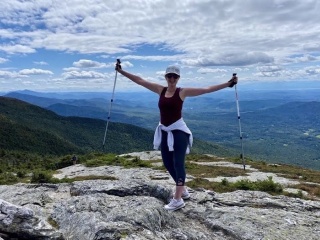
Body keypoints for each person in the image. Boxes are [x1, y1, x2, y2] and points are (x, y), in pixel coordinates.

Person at [115, 62, 238, 211]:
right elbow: (140, 80)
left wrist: (228, 84)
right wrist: (121, 72)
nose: (172, 79)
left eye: (175, 76)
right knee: (167, 163)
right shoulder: (160, 90)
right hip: (166, 132)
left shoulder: (182, 92)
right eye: (169, 76)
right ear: (166, 77)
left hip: (179, 133)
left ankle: (178, 199)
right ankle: (183, 190)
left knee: (178, 163)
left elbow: (206, 89)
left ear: (178, 78)